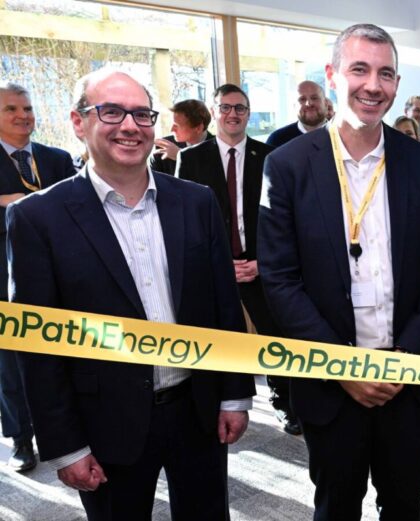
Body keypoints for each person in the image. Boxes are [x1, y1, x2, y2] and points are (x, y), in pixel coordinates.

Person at [10, 69, 255, 520]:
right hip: (105, 425)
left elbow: (222, 305)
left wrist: (235, 395)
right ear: (78, 122)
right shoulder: (37, 219)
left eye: (142, 114)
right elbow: (38, 347)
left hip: (196, 411)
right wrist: (65, 447)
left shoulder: (196, 202)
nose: (130, 125)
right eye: (112, 111)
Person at [257, 24, 420, 520]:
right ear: (332, 76)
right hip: (330, 385)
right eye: (359, 70)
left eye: (386, 73)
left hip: (408, 380)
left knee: (405, 506)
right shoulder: (285, 166)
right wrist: (345, 367)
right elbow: (280, 279)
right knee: (336, 506)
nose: (374, 85)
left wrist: (402, 360)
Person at [175, 85, 295, 435]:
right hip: (216, 266)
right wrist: (220, 264)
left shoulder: (271, 156)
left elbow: (283, 219)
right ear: (214, 112)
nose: (233, 114)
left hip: (262, 264)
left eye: (240, 107)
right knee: (221, 336)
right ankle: (222, 403)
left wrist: (264, 262)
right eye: (225, 107)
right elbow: (188, 222)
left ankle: (283, 401)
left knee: (275, 336)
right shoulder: (192, 158)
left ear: (248, 112)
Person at [0, 82, 74, 473]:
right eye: (11, 109)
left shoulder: (57, 158)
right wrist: (16, 203)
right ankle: (21, 439)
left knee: (67, 358)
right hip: (5, 281)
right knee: (13, 365)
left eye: (27, 108)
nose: (22, 115)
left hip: (63, 277)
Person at [150, 99, 211, 174]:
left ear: (198, 128)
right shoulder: (163, 147)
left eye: (176, 126)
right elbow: (153, 182)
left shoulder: (221, 147)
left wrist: (181, 157)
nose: (171, 130)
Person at [266, 80, 329, 148]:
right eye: (302, 99)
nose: (309, 103)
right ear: (294, 106)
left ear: (325, 103)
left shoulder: (340, 135)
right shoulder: (277, 140)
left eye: (314, 98)